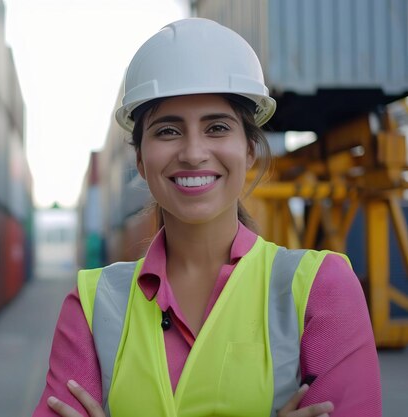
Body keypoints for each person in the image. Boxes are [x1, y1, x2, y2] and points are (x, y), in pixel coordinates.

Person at [32, 18, 382, 417]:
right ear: (141, 161)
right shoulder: (92, 305)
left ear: (249, 150)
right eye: (167, 131)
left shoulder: (321, 289)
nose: (194, 152)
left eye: (217, 127)